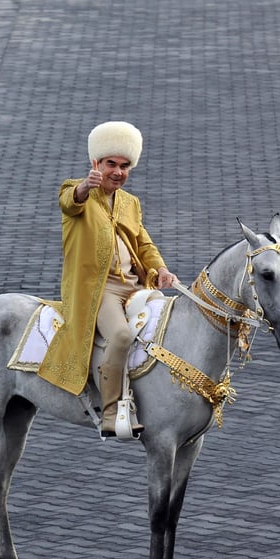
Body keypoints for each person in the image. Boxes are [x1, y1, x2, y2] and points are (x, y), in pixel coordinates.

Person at [38, 121, 179, 437]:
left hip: (135, 286)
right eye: (110, 164)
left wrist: (162, 269)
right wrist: (85, 187)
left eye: (125, 166)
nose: (118, 172)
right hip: (99, 290)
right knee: (122, 336)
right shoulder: (75, 190)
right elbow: (68, 201)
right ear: (95, 164)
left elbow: (144, 243)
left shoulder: (131, 203)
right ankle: (112, 411)